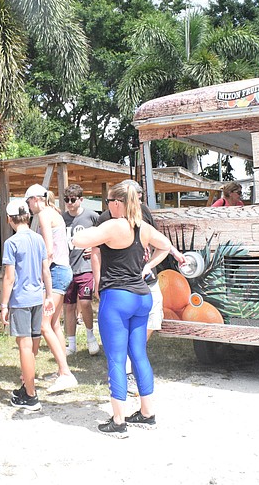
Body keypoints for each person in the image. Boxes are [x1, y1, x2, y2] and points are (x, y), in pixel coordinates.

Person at [73, 181, 173, 437]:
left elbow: (79, 240)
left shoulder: (113, 225)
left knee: (117, 359)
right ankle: (147, 412)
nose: (107, 207)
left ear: (118, 203)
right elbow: (166, 246)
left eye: (108, 202)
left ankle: (118, 420)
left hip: (117, 298)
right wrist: (147, 267)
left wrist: (79, 233)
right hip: (142, 296)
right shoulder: (142, 227)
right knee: (139, 354)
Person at [1, 199, 53, 411]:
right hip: (37, 297)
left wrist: (4, 304)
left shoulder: (11, 243)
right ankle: (27, 385)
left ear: (9, 219)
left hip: (21, 300)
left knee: (24, 346)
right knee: (33, 344)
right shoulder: (38, 239)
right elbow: (46, 270)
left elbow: (9, 277)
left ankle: (30, 395)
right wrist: (48, 294)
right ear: (28, 217)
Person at [24, 184, 78, 392]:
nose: (28, 207)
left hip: (55, 272)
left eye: (28, 202)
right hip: (62, 270)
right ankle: (61, 369)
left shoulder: (45, 215)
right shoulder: (53, 212)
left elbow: (47, 249)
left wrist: (38, 271)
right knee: (54, 324)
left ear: (36, 199)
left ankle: (65, 373)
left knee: (43, 325)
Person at [61, 184, 101, 356]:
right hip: (67, 267)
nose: (69, 203)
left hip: (85, 267)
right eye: (66, 200)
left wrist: (93, 247)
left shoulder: (92, 216)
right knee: (68, 306)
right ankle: (71, 343)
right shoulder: (62, 219)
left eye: (72, 200)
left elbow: (103, 235)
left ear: (81, 200)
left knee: (85, 302)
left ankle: (91, 337)